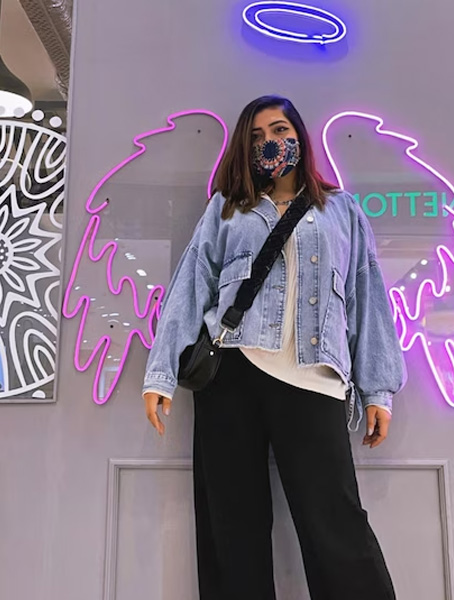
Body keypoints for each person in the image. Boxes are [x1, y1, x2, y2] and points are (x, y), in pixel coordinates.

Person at [142, 95, 406, 600]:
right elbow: (191, 285)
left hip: (314, 378)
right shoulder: (226, 208)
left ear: (299, 135)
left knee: (336, 526)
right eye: (257, 135)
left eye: (280, 130)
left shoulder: (341, 209)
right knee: (232, 529)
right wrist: (161, 374)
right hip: (230, 375)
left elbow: (367, 296)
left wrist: (378, 390)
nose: (270, 142)